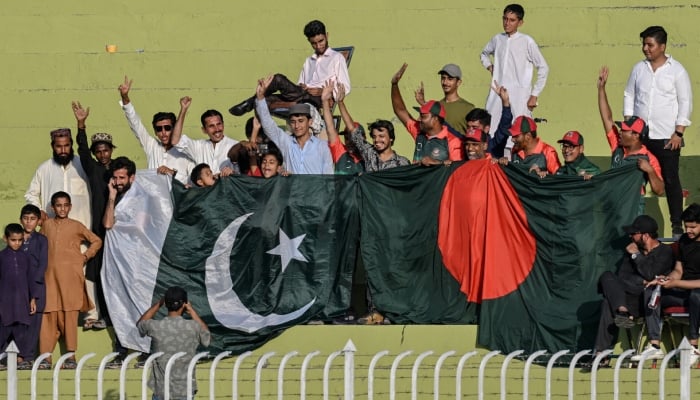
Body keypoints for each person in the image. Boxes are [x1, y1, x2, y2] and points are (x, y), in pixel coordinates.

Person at [623, 26, 693, 238]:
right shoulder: (638, 69)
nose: (646, 48)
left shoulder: (677, 70)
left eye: (650, 45)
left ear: (662, 46)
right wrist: (629, 122)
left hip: (666, 138)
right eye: (644, 44)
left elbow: (685, 101)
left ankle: (677, 227)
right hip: (641, 136)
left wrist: (678, 133)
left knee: (671, 180)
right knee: (634, 178)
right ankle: (632, 225)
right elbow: (629, 94)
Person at [590, 215, 673, 367]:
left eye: (634, 233)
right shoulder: (631, 253)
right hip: (628, 298)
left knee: (608, 302)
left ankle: (601, 354)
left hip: (648, 303)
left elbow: (651, 274)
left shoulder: (665, 252)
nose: (630, 236)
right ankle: (621, 311)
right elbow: (623, 277)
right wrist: (641, 281)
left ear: (646, 235)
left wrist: (636, 255)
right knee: (607, 277)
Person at [229, 20, 351, 116]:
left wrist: (324, 91)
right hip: (302, 94)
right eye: (314, 43)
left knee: (278, 79)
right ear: (309, 41)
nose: (318, 46)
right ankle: (261, 132)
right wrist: (303, 86)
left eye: (321, 41)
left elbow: (345, 87)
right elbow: (300, 84)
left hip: (318, 99)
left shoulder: (336, 58)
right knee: (265, 100)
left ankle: (248, 103)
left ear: (327, 36)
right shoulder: (309, 61)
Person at [39, 191, 102, 370]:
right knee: (48, 315)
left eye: (66, 205)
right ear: (53, 207)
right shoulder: (46, 226)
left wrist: (84, 257)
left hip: (70, 278)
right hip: (49, 278)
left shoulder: (76, 226)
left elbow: (96, 241)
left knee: (69, 315)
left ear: (70, 207)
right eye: (58, 205)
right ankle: (45, 357)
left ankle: (71, 356)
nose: (62, 209)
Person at [480, 4, 549, 155]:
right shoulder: (498, 39)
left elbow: (543, 67)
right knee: (492, 130)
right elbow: (484, 54)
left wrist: (535, 94)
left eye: (512, 20)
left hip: (519, 97)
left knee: (518, 135)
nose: (507, 23)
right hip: (496, 97)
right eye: (505, 19)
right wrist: (490, 67)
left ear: (520, 22)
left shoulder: (527, 41)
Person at [597, 66, 664, 209]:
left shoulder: (649, 158)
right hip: (612, 203)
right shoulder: (618, 146)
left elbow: (659, 190)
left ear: (635, 136)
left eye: (625, 130)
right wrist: (601, 89)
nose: (620, 132)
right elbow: (607, 118)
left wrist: (650, 170)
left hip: (632, 206)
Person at [73, 100, 111, 330]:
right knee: (97, 275)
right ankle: (97, 314)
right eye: (98, 151)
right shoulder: (94, 169)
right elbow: (83, 152)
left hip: (119, 232)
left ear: (111, 150)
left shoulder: (120, 168)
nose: (102, 154)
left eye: (105, 149)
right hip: (99, 230)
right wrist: (81, 126)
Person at [137, 286, 210, 400]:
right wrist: (191, 310)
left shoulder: (156, 326)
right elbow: (207, 339)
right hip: (184, 389)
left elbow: (140, 324)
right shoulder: (193, 327)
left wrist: (158, 304)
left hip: (161, 390)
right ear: (184, 304)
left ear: (166, 304)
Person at [118, 76, 194, 185]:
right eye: (159, 129)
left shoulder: (185, 151)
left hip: (178, 200)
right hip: (155, 200)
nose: (163, 132)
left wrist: (172, 173)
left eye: (167, 128)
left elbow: (193, 180)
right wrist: (125, 97)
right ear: (155, 132)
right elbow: (135, 123)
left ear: (174, 128)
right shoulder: (152, 145)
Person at [254, 75, 334, 174]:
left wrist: (325, 101)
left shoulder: (322, 146)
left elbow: (329, 178)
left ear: (310, 122)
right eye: (293, 121)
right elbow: (269, 126)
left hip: (314, 189)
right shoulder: (287, 143)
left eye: (301, 121)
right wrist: (261, 98)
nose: (296, 126)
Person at [654, 203, 700, 365]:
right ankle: (654, 344)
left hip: (696, 293)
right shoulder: (684, 241)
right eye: (686, 227)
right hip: (683, 291)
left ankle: (693, 344)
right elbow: (678, 270)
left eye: (693, 227)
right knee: (654, 294)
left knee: (696, 295)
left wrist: (677, 282)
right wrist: (668, 279)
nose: (689, 231)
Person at [390, 63, 463, 165]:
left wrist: (436, 163)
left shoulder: (452, 141)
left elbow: (458, 168)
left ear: (435, 119)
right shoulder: (419, 132)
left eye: (423, 116)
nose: (419, 119)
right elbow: (400, 110)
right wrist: (394, 85)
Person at [25, 128, 91, 229]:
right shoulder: (44, 169)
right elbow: (31, 194)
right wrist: (39, 211)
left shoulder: (83, 165)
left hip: (82, 228)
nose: (63, 150)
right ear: (53, 146)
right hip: (53, 231)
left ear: (71, 145)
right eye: (59, 147)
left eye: (66, 146)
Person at [0, 223, 38, 369]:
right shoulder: (2, 257)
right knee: (4, 329)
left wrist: (32, 299)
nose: (17, 243)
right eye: (13, 240)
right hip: (5, 302)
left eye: (20, 240)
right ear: (5, 239)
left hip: (22, 301)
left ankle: (21, 359)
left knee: (22, 330)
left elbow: (30, 279)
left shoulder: (25, 257)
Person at [171, 97, 238, 177]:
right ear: (204, 130)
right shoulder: (198, 146)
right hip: (203, 189)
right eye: (211, 126)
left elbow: (244, 175)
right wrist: (183, 110)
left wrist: (232, 173)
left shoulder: (235, 145)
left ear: (223, 125)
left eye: (219, 124)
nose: (217, 129)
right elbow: (175, 141)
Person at [19, 204, 48, 367]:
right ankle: (14, 356)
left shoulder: (42, 240)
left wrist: (34, 295)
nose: (29, 222)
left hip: (36, 289)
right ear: (21, 220)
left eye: (32, 219)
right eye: (26, 219)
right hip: (16, 289)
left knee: (32, 325)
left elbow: (42, 267)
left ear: (38, 221)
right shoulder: (14, 239)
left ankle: (28, 357)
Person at [414, 64, 475, 134]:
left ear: (458, 82)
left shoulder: (468, 108)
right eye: (443, 78)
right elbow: (421, 127)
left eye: (450, 79)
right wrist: (424, 104)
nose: (445, 82)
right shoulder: (436, 107)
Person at [320, 81, 365, 175]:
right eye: (346, 138)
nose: (348, 141)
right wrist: (325, 101)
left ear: (363, 138)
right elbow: (330, 128)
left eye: (352, 138)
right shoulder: (340, 151)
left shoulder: (370, 156)